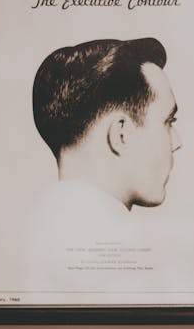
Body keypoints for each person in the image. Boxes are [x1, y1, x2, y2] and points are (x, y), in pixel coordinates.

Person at [23, 37, 182, 290]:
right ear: (121, 134)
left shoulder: (36, 231)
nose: (177, 142)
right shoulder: (130, 254)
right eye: (168, 122)